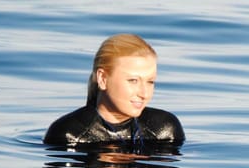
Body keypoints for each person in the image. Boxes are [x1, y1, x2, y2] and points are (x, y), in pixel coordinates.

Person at [44, 34, 185, 145]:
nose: (144, 93)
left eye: (150, 82)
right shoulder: (69, 134)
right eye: (133, 81)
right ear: (103, 79)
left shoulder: (164, 129)